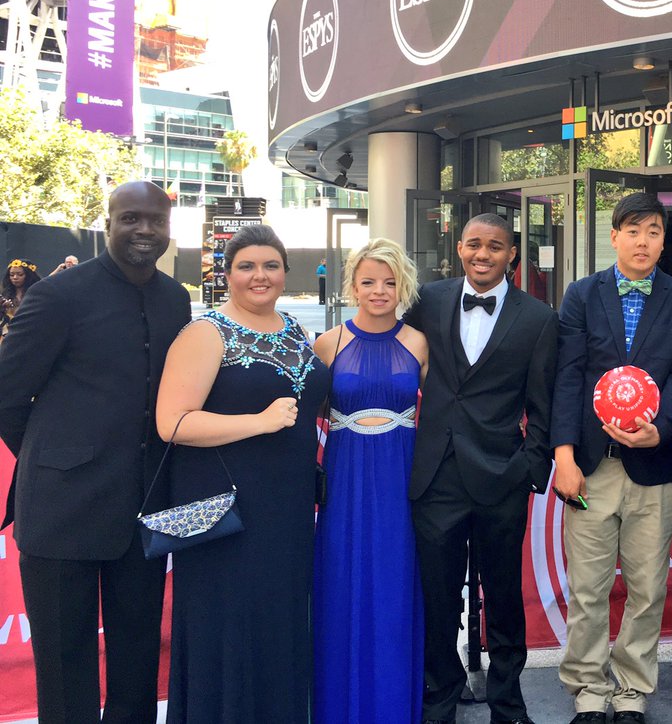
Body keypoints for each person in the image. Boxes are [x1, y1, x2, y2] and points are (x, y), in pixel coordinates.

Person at [0, 182, 190, 724]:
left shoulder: (175, 298)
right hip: (61, 511)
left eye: (155, 221)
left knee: (136, 660)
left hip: (142, 510)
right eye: (130, 218)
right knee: (64, 665)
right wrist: (54, 456)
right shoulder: (58, 295)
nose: (144, 231)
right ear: (107, 223)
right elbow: (8, 397)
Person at [156, 224, 331, 723]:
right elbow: (173, 422)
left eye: (271, 265)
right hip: (227, 513)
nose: (260, 276)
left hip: (288, 509)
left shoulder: (295, 329)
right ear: (225, 274)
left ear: (285, 272)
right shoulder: (205, 333)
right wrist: (259, 422)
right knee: (229, 626)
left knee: (280, 622)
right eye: (247, 266)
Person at [552, 192, 672, 724]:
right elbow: (568, 378)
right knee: (589, 587)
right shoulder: (581, 295)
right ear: (613, 236)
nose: (644, 241)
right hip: (592, 466)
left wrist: (661, 433)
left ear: (665, 239)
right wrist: (564, 456)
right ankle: (588, 687)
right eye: (634, 230)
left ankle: (633, 689)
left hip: (654, 467)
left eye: (655, 231)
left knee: (647, 586)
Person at [404, 213, 558, 724]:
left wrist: (528, 466)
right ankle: (439, 701)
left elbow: (543, 405)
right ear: (460, 247)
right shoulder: (429, 299)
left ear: (512, 254)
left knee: (505, 600)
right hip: (436, 476)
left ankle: (508, 705)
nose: (482, 255)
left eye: (494, 246)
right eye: (474, 245)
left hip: (501, 477)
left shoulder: (537, 318)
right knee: (438, 598)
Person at [313, 238, 428, 723]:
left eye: (389, 282)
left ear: (402, 285)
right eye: (368, 282)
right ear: (352, 286)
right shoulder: (328, 343)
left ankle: (393, 701)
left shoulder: (418, 342)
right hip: (345, 479)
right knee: (341, 579)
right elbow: (311, 415)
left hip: (400, 477)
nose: (379, 291)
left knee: (397, 581)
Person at [1, 258, 42, 326]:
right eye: (11, 275)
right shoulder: (4, 294)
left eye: (20, 274)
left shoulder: (36, 293)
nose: (15, 277)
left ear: (29, 276)